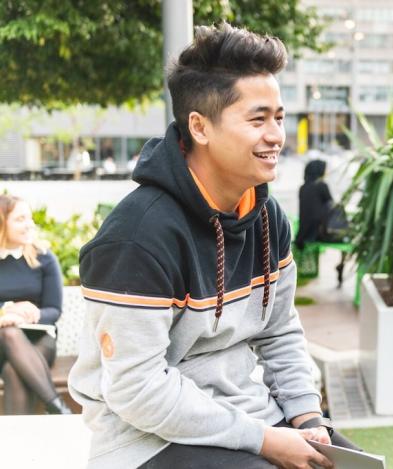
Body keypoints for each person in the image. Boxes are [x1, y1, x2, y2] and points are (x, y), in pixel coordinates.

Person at [67, 23, 348, 469]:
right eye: (258, 119)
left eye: (279, 117)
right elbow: (136, 389)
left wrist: (306, 418)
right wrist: (264, 441)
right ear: (199, 126)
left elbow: (280, 331)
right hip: (143, 437)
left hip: (248, 417)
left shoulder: (267, 217)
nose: (276, 135)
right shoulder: (138, 236)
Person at [0, 194, 72, 415]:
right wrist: (6, 311)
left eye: (29, 218)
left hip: (40, 338)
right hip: (1, 340)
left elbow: (54, 310)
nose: (29, 224)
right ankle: (57, 407)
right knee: (9, 332)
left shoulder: (44, 258)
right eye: (20, 219)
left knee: (13, 371)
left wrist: (29, 315)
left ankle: (15, 446)